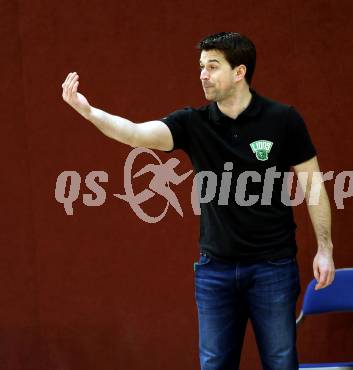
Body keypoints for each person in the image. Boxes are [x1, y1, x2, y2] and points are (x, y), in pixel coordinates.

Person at [61, 31, 335, 370]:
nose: (203, 74)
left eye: (213, 66)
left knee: (281, 362)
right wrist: (90, 113)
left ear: (240, 72)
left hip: (273, 268)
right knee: (214, 364)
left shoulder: (283, 119)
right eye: (201, 66)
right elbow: (134, 133)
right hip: (215, 271)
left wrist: (325, 248)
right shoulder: (193, 123)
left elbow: (314, 186)